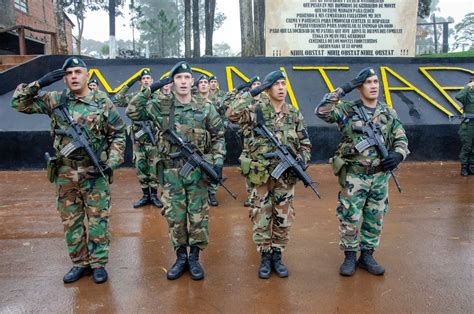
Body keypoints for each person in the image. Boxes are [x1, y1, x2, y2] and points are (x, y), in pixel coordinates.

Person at [11, 57, 126, 284]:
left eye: (77, 72)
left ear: (86, 75)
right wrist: (39, 84)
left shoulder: (102, 101)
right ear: (64, 78)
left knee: (98, 220)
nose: (73, 76)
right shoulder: (55, 100)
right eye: (69, 73)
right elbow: (19, 104)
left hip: (94, 172)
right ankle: (79, 263)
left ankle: (98, 264)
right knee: (71, 221)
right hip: (66, 174)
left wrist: (111, 161)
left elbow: (119, 134)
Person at [127, 61, 225, 281]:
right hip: (171, 174)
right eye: (178, 78)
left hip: (199, 173)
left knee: (198, 217)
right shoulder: (161, 106)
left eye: (186, 78)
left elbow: (219, 136)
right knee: (175, 217)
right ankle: (181, 257)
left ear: (192, 82)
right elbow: (132, 110)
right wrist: (150, 89)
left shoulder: (205, 107)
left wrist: (217, 162)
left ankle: (195, 258)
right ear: (172, 82)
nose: (182, 81)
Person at [315, 67, 409, 276]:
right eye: (368, 82)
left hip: (380, 175)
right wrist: (345, 88)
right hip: (354, 175)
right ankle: (349, 256)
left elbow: (401, 138)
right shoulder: (347, 110)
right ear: (360, 87)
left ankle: (367, 256)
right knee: (350, 215)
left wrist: (398, 155)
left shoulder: (388, 112)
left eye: (376, 82)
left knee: (375, 216)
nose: (374, 86)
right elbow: (322, 111)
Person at [227, 70, 312, 279]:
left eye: (284, 84)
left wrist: (302, 159)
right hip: (260, 177)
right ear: (268, 88)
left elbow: (305, 143)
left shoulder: (293, 113)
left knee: (283, 217)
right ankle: (265, 257)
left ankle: (277, 255)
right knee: (261, 216)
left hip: (286, 177)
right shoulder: (255, 110)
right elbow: (230, 114)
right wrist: (254, 91)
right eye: (276, 84)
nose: (281, 88)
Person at [114, 69, 163, 208]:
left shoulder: (158, 98)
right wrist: (129, 83)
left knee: (154, 168)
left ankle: (154, 195)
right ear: (141, 82)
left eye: (148, 78)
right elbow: (117, 100)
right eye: (144, 79)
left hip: (154, 140)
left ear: (152, 81)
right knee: (141, 167)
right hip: (138, 141)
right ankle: (145, 195)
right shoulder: (135, 97)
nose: (146, 80)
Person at [455, 77, 474, 176]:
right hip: (469, 124)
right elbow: (458, 96)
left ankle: (471, 166)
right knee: (467, 146)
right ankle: (464, 167)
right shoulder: (467, 94)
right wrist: (467, 87)